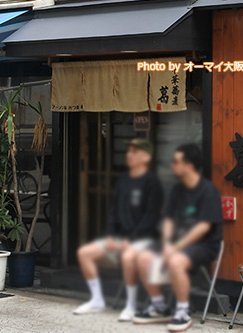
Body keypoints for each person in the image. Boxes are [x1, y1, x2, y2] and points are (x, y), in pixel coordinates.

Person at [133, 144, 223, 332]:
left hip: (204, 244)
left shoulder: (208, 191)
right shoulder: (177, 189)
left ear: (189, 166)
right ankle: (159, 307)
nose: (171, 165)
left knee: (175, 261)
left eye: (176, 161)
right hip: (175, 242)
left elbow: (203, 227)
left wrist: (176, 247)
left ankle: (182, 312)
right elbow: (168, 219)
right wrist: (167, 243)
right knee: (143, 257)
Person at [73, 138, 164, 321]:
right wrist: (110, 235)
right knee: (84, 253)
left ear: (146, 157)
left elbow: (151, 218)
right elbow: (114, 210)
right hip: (120, 237)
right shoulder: (123, 179)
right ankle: (97, 300)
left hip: (144, 238)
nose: (129, 155)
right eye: (128, 151)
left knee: (129, 256)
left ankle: (131, 305)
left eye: (135, 151)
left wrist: (130, 240)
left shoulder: (152, 182)